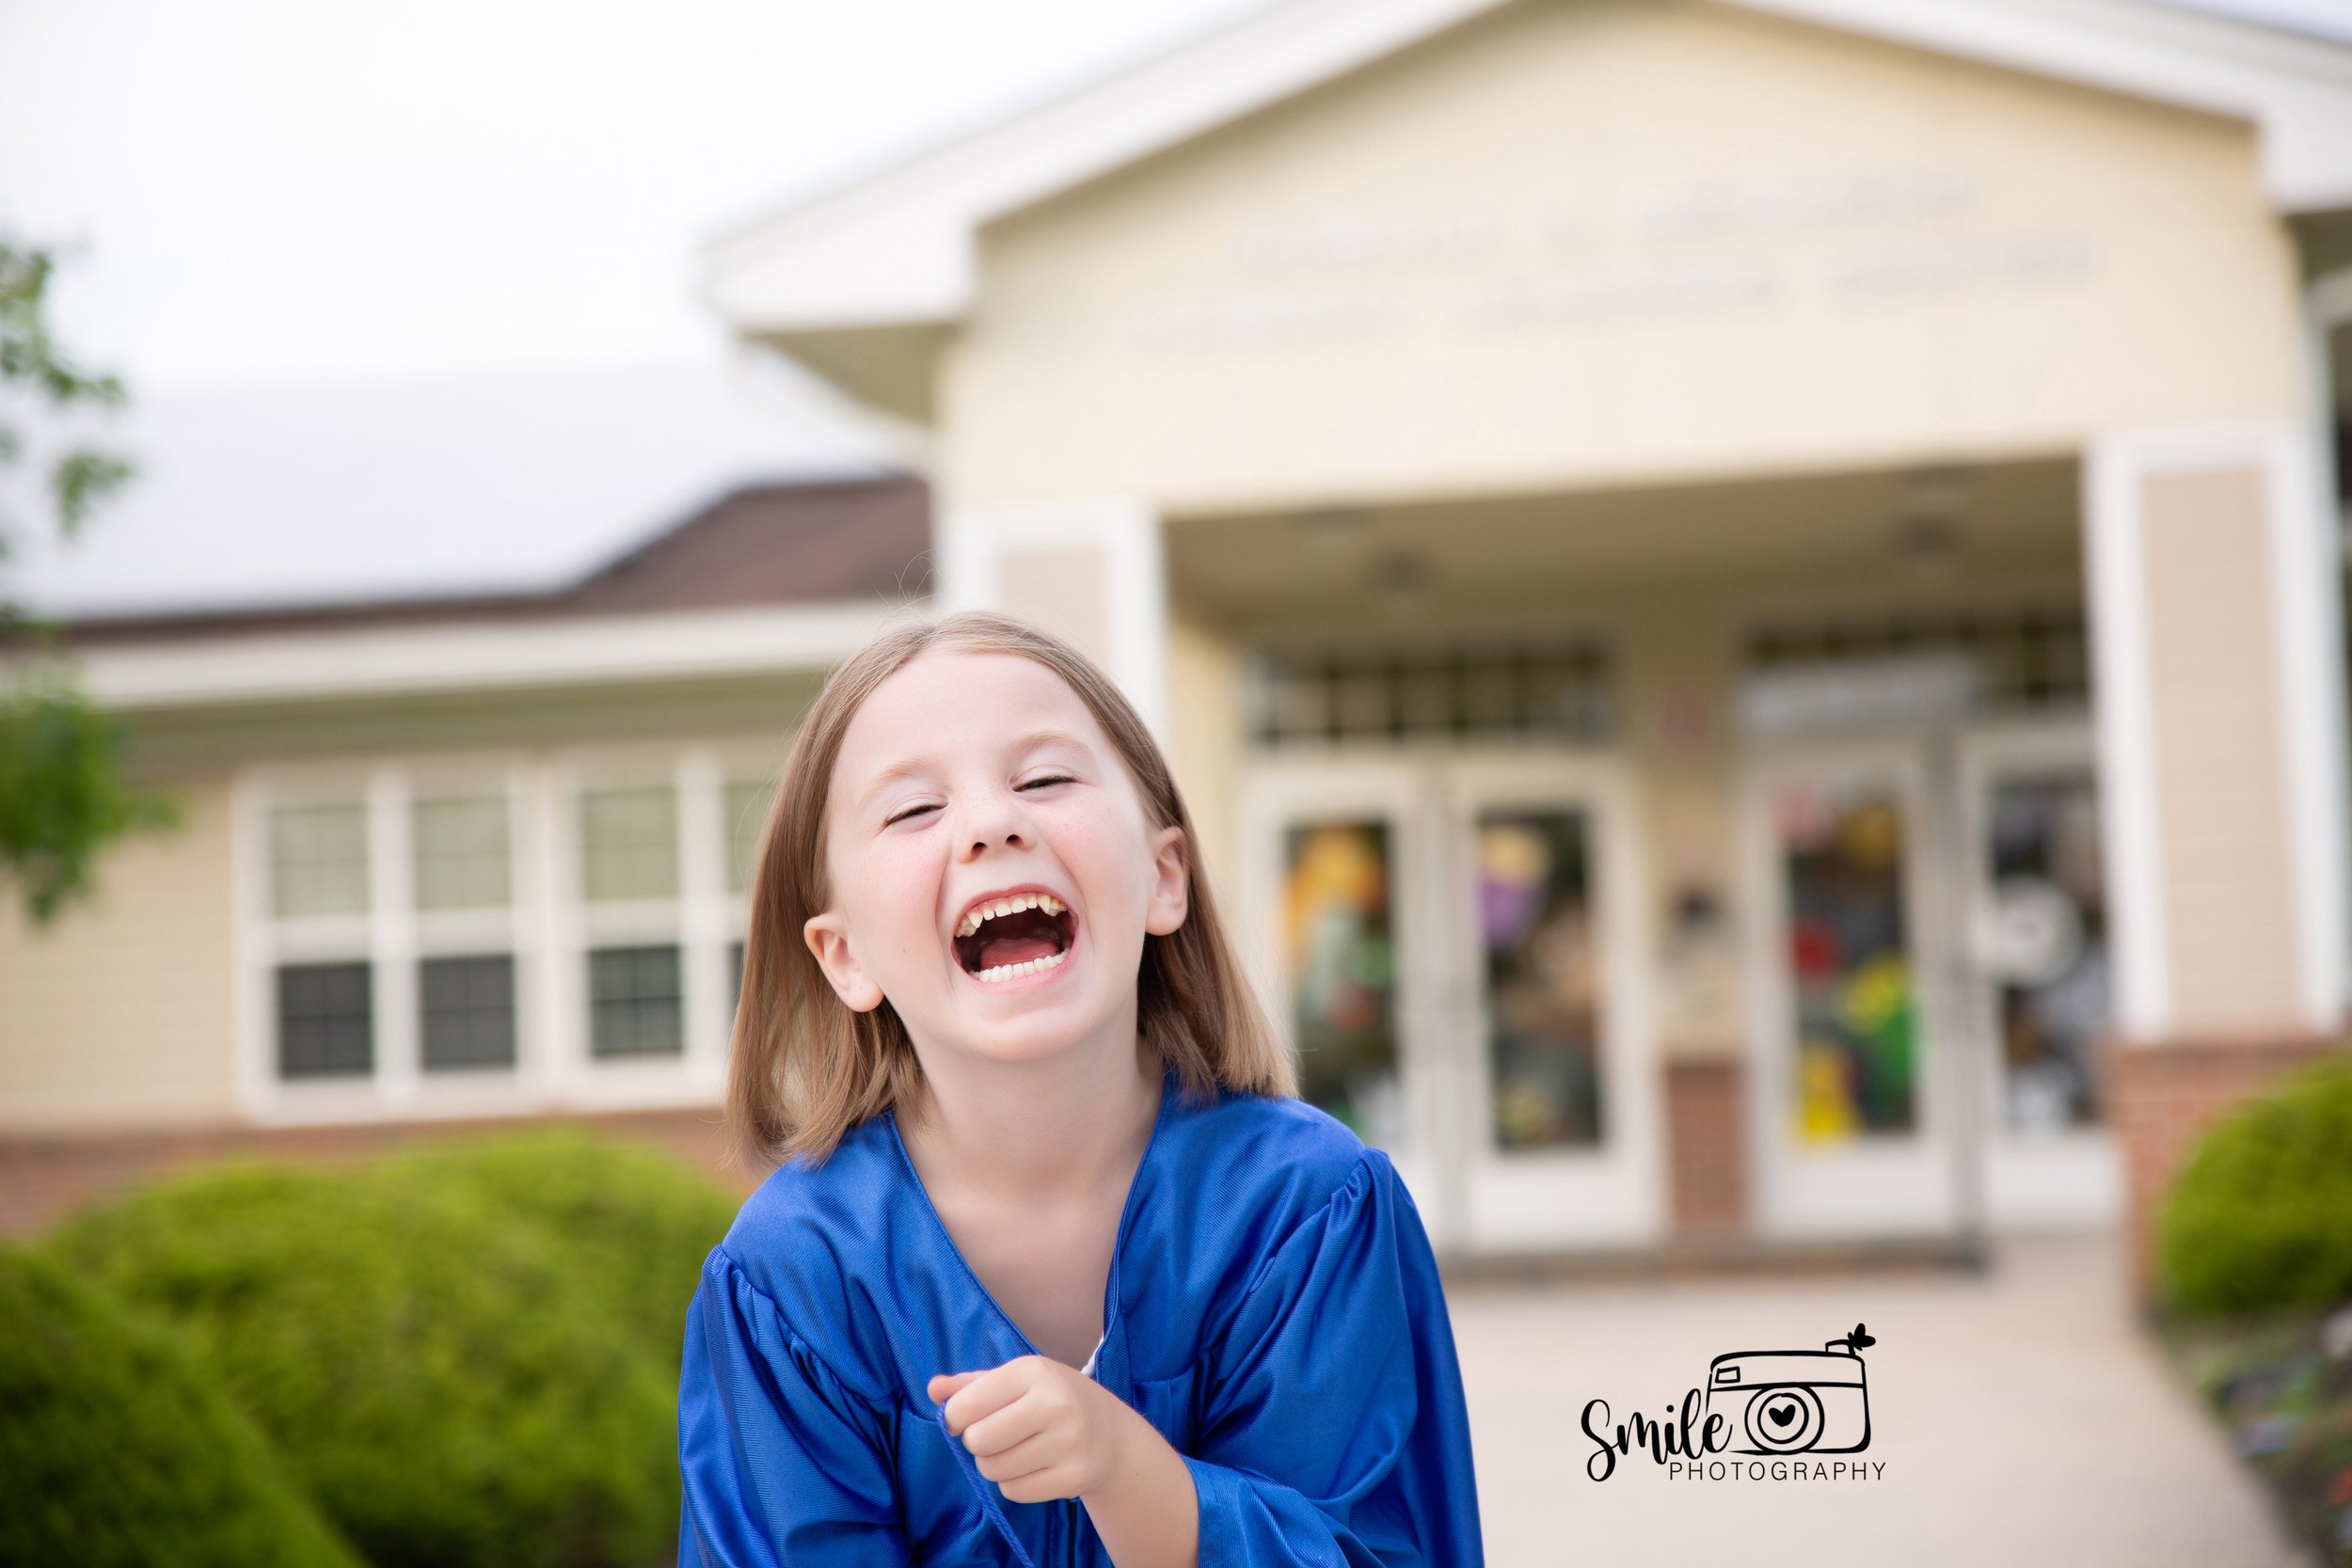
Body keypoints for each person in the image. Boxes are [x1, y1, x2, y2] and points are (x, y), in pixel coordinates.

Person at [675, 609, 1486, 1566]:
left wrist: (1126, 1468)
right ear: (844, 954)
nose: (990, 822)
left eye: (1045, 777)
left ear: (1162, 874)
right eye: (912, 808)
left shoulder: (1308, 1211)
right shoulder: (794, 1279)